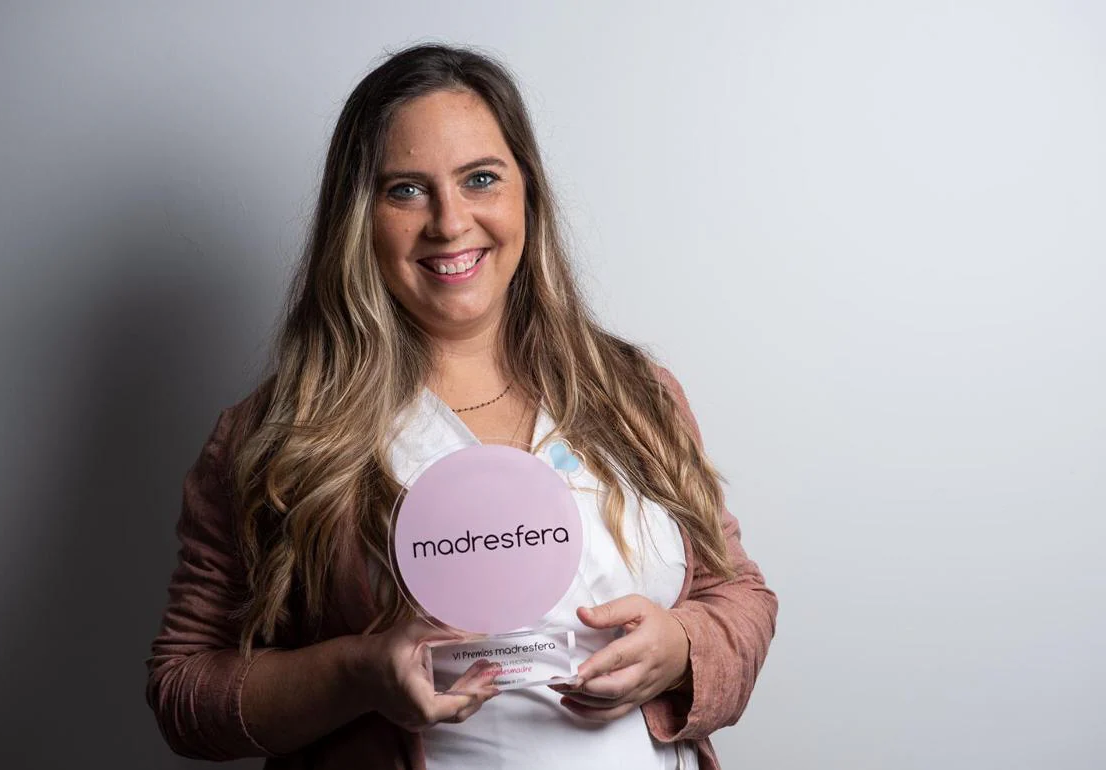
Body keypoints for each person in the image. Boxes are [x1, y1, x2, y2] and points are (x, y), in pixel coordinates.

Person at [145, 43, 777, 770]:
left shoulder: (636, 396)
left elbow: (740, 596)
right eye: (406, 190)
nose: (449, 222)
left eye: (480, 178)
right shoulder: (279, 435)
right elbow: (184, 689)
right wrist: (358, 674)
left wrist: (683, 648)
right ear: (359, 217)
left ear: (526, 193)